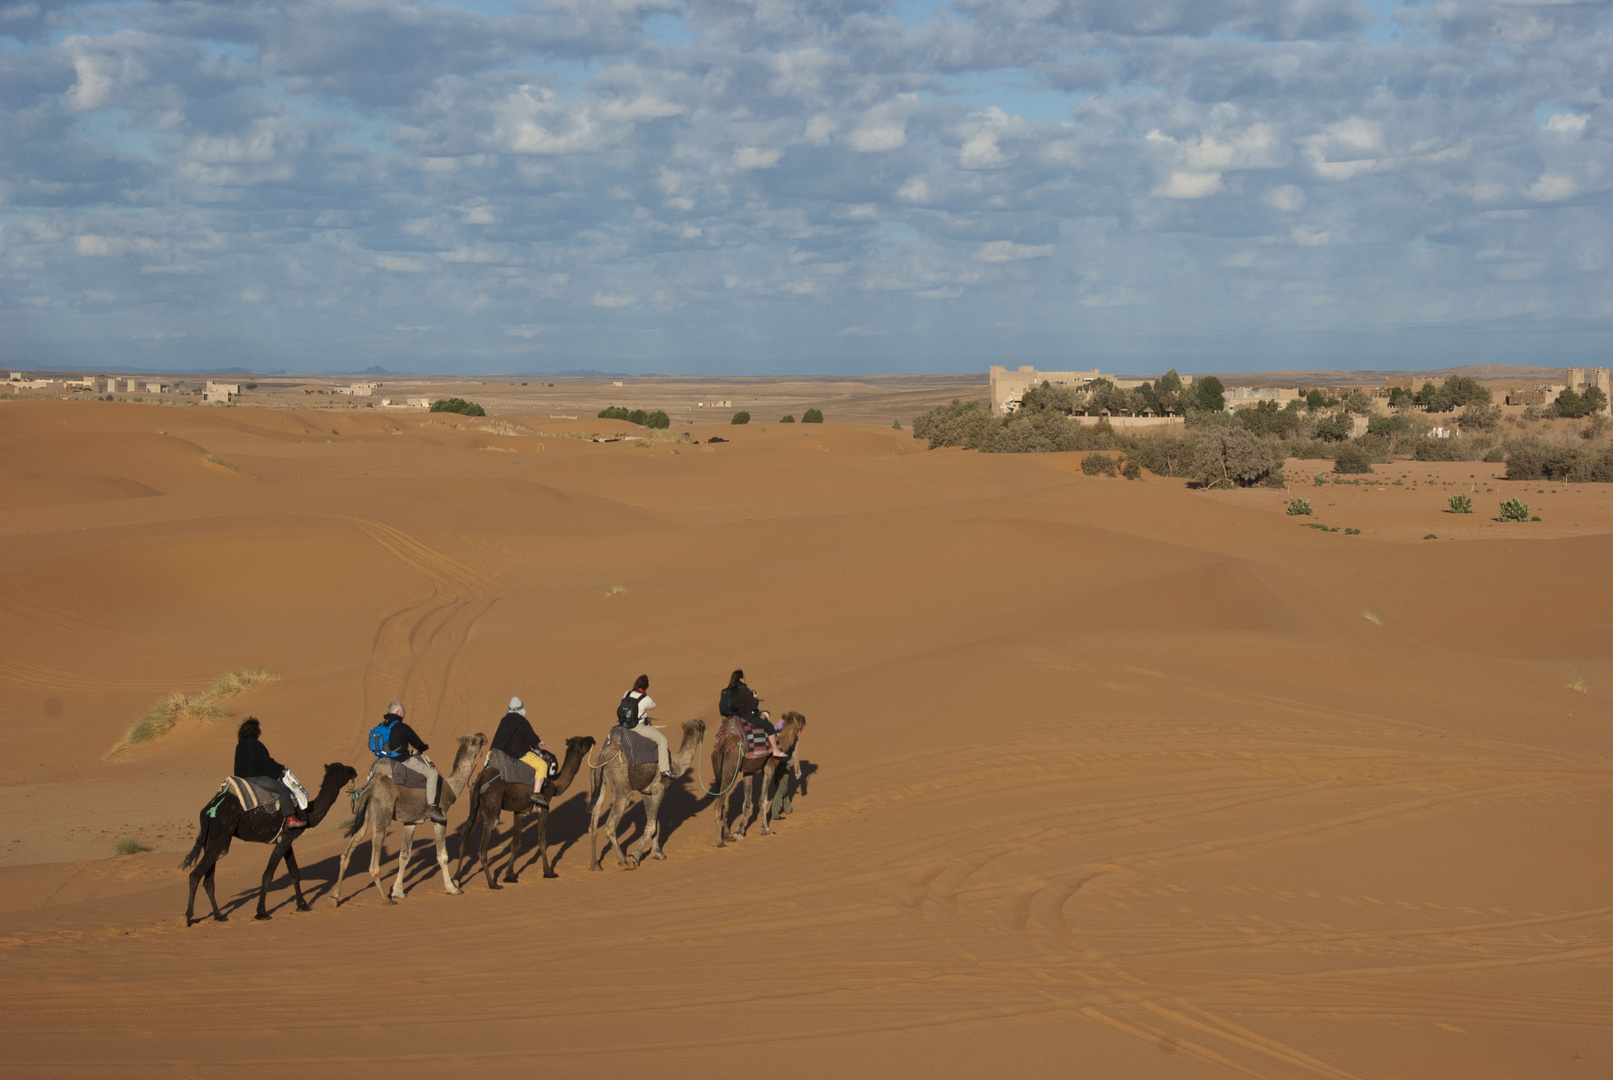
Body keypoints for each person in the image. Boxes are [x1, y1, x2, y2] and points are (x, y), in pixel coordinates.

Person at [376, 702, 446, 824]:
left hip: (382, 760)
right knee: (432, 774)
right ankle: (431, 807)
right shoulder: (402, 727)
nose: (405, 715)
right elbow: (417, 743)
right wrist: (424, 747)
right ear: (397, 712)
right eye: (403, 712)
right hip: (402, 759)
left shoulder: (380, 726)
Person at [234, 717, 306, 828]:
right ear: (255, 731)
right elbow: (268, 764)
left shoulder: (239, 746)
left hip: (241, 782)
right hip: (257, 779)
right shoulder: (257, 745)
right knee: (283, 790)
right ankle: (290, 818)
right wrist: (280, 768)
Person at [490, 697, 553, 805]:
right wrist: (538, 742)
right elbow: (530, 736)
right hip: (517, 753)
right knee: (542, 765)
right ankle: (537, 793)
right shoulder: (522, 721)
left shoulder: (504, 720)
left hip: (500, 753)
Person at [618, 675, 672, 777]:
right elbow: (653, 706)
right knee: (662, 740)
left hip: (624, 725)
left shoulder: (627, 693)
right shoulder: (646, 699)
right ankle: (665, 769)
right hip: (637, 727)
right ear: (646, 686)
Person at [724, 670, 786, 758]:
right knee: (769, 726)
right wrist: (755, 698)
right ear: (741, 679)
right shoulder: (744, 690)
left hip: (733, 717)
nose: (745, 678)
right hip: (746, 716)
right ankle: (775, 750)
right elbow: (753, 707)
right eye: (744, 677)